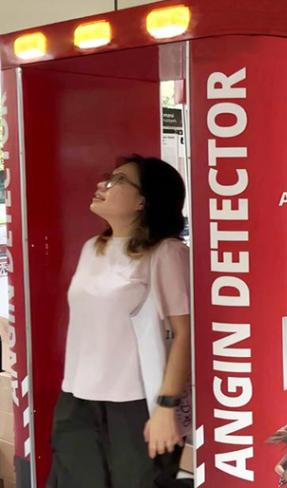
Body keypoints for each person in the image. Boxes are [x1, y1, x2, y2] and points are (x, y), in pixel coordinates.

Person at [47, 155, 191, 487]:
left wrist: (166, 407)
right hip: (76, 401)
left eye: (118, 181)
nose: (102, 186)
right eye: (106, 177)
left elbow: (184, 334)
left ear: (144, 200)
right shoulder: (92, 248)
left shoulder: (166, 253)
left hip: (135, 406)